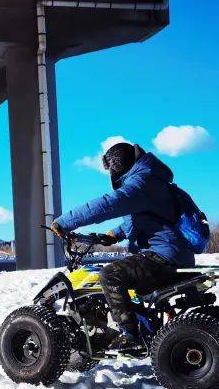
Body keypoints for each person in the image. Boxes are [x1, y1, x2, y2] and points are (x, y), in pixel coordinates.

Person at [51, 141, 199, 348]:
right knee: (128, 269)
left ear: (116, 167)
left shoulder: (141, 182)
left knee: (110, 275)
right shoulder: (153, 179)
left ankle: (131, 336)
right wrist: (114, 234)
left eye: (110, 168)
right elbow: (147, 219)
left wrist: (65, 222)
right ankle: (146, 326)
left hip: (163, 257)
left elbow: (109, 204)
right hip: (175, 254)